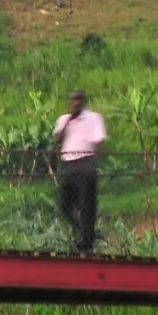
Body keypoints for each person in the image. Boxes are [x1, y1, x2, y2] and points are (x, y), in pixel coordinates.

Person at [53, 90, 106, 254]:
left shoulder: (93, 118)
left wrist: (93, 161)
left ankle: (86, 244)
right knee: (64, 205)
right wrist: (69, 121)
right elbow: (57, 139)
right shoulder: (63, 119)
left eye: (78, 100)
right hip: (68, 165)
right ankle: (86, 232)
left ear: (83, 101)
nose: (75, 103)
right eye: (72, 100)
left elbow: (99, 140)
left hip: (85, 163)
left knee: (87, 205)